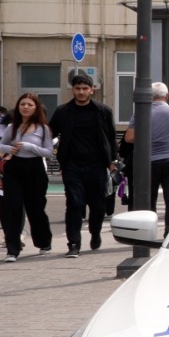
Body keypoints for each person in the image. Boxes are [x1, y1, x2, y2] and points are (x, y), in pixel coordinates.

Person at [49, 71, 118, 257]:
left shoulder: (103, 111)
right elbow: (49, 133)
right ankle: (74, 244)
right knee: (74, 203)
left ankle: (95, 233)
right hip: (72, 165)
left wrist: (113, 161)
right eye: (77, 88)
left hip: (97, 165)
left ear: (92, 90)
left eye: (85, 88)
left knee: (98, 205)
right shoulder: (63, 111)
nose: (81, 92)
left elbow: (111, 138)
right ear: (73, 90)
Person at [0, 92, 55, 262]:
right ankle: (12, 249)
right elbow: (1, 145)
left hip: (35, 168)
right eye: (22, 104)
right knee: (13, 208)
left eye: (30, 105)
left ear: (36, 108)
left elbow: (48, 152)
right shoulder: (12, 127)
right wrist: (11, 149)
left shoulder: (43, 128)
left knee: (36, 208)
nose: (25, 107)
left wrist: (31, 146)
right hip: (14, 168)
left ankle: (43, 242)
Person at [124, 82, 169, 231]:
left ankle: (148, 232)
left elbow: (129, 138)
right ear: (166, 96)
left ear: (149, 97)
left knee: (149, 199)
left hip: (149, 161)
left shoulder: (140, 113)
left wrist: (147, 135)